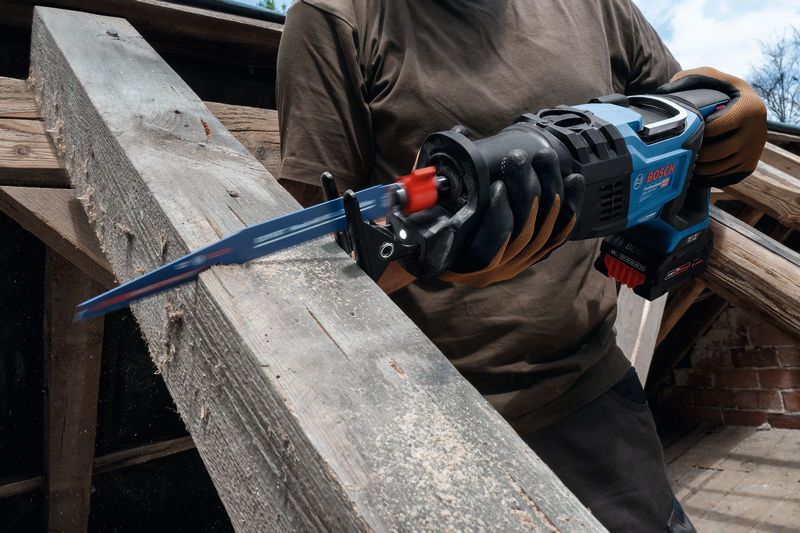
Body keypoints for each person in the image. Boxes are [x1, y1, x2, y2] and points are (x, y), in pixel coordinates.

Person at [275, 1, 767, 530]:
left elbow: (674, 107)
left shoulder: (597, 8)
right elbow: (310, 270)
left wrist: (723, 100)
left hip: (589, 388)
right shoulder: (338, 17)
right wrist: (434, 260)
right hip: (425, 417)